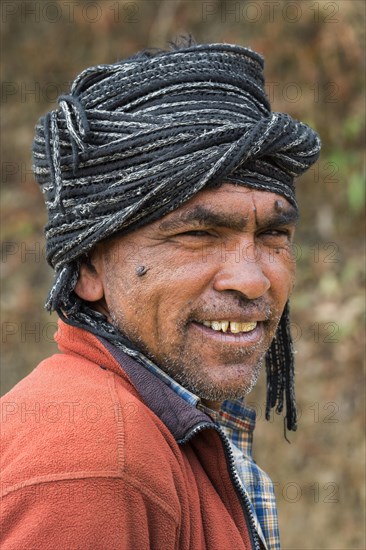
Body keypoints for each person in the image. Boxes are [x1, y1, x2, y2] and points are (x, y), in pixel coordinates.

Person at [1, 40, 321, 550]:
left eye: (272, 237)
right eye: (197, 235)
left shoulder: (152, 433)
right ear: (88, 266)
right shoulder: (97, 466)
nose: (253, 279)